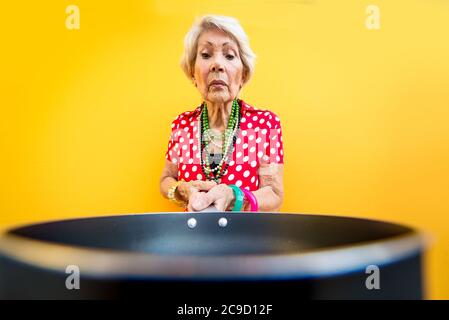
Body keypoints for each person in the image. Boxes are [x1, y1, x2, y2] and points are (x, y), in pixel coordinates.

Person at [160, 15, 284, 212]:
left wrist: (235, 196)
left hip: (247, 239)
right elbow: (166, 179)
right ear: (193, 72)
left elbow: (274, 193)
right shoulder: (182, 125)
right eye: (206, 54)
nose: (217, 65)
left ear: (243, 74)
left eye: (229, 55)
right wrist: (181, 190)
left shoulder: (265, 124)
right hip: (194, 237)